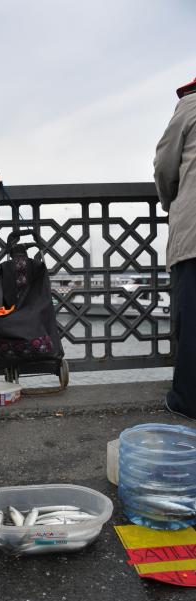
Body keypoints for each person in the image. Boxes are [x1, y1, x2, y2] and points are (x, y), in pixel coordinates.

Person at [154, 75, 196, 420]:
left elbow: (165, 166)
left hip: (194, 237)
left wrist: (173, 202)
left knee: (191, 318)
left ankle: (187, 400)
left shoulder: (189, 106)